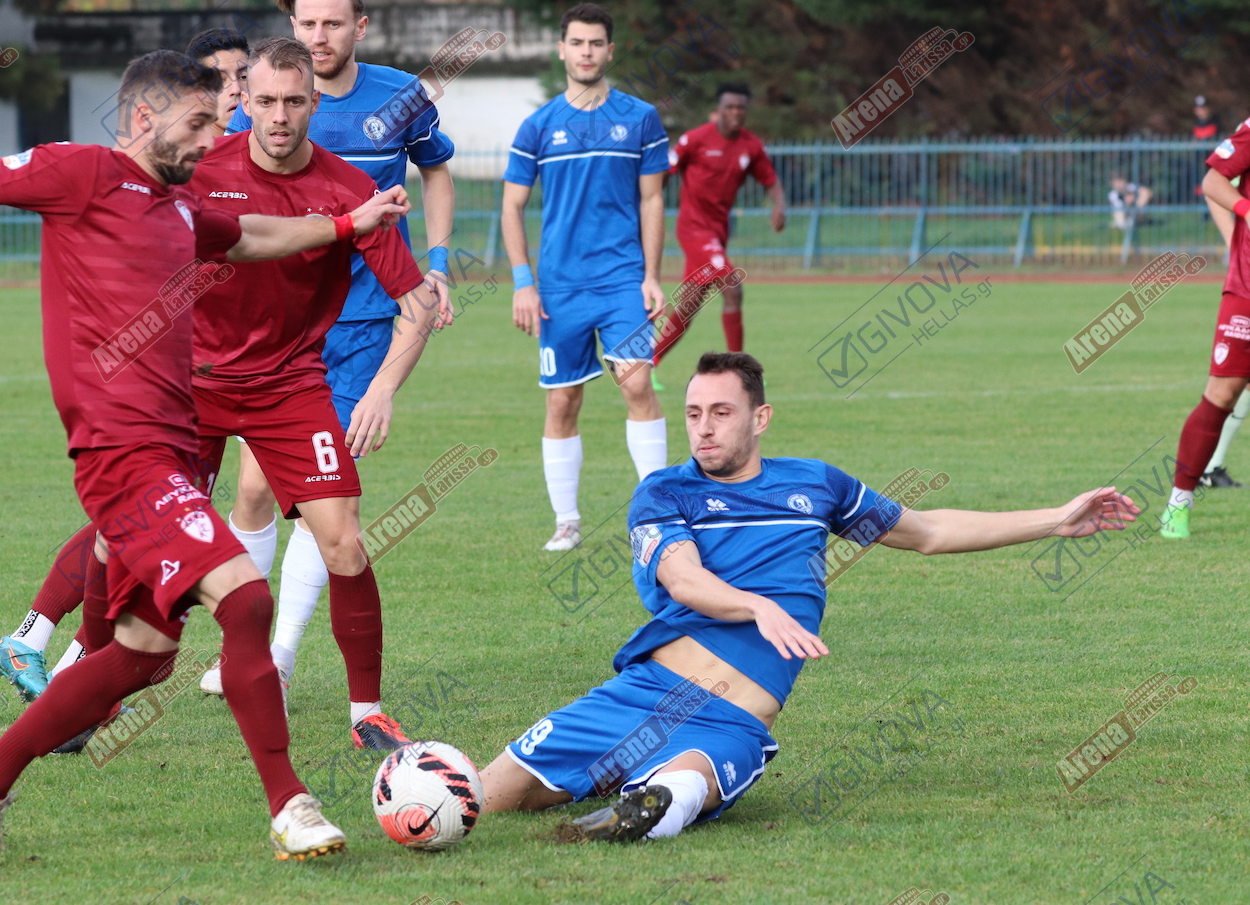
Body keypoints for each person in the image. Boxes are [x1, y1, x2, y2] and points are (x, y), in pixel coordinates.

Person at [0, 49, 411, 859]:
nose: (214, 139)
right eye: (200, 122)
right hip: (122, 454)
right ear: (143, 118)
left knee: (144, 655)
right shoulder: (81, 174)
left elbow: (255, 235)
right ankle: (291, 805)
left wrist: (343, 226)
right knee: (244, 599)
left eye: (217, 122)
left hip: (168, 444)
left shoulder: (181, 206)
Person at [478, 352, 1140, 841]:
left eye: (721, 413)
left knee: (690, 782)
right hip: (642, 695)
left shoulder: (816, 486)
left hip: (731, 721)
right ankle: (580, 789)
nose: (704, 429)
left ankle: (652, 803)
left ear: (760, 417)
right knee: (489, 796)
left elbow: (929, 532)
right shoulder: (665, 492)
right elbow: (683, 580)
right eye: (694, 414)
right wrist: (758, 605)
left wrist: (1056, 519)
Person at [0, 26, 253, 703]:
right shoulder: (179, 162)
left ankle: (44, 649)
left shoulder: (226, 152)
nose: (236, 93)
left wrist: (339, 226)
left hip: (208, 370)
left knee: (134, 524)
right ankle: (63, 662)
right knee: (140, 522)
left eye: (242, 78)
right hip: (176, 378)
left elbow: (246, 240)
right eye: (225, 79)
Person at [213, 0, 457, 693]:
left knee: (326, 504)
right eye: (306, 24)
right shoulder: (266, 104)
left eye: (332, 23)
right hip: (281, 324)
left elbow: (436, 173)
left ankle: (278, 655)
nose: (318, 36)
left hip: (362, 321)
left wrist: (438, 263)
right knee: (253, 491)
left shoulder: (402, 96)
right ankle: (242, 647)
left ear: (360, 26)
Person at [503, 2, 671, 552]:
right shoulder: (538, 126)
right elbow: (512, 207)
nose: (586, 52)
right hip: (559, 288)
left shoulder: (641, 118)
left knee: (637, 384)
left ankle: (657, 513)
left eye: (596, 43)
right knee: (562, 402)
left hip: (623, 280)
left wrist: (651, 276)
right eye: (577, 42)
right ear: (562, 50)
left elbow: (652, 200)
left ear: (610, 51)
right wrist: (524, 282)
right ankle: (567, 520)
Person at [652, 83, 786, 381]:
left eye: (741, 107)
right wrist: (651, 200)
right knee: (732, 287)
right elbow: (665, 170)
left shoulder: (751, 146)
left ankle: (648, 362)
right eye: (730, 107)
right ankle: (741, 373)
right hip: (693, 229)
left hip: (718, 232)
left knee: (688, 305)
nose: (736, 112)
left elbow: (771, 180)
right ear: (719, 110)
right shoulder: (696, 139)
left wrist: (779, 206)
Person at [1161, 117, 1250, 537]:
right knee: (1222, 394)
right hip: (1247, 291)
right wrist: (1245, 213)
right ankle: (1179, 503)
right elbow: (1214, 181)